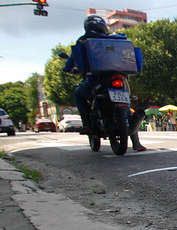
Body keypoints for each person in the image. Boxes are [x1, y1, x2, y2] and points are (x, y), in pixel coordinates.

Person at [63, 15, 146, 151]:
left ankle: (87, 124)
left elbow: (71, 62)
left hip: (95, 82)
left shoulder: (84, 41)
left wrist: (68, 69)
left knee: (78, 94)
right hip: (121, 80)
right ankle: (136, 142)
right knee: (126, 107)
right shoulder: (117, 39)